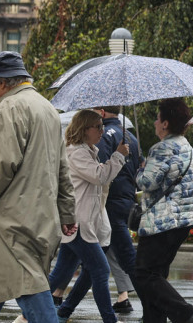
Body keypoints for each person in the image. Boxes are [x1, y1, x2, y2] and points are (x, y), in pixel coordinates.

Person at [0, 52, 76, 323]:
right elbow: (63, 168)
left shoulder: (10, 107)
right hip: (40, 215)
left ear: (1, 82)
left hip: (11, 219)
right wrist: (68, 211)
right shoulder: (47, 108)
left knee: (28, 284)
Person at [50, 107, 142, 313]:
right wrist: (118, 156)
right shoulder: (77, 153)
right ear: (84, 129)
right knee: (100, 270)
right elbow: (100, 176)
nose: (101, 131)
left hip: (83, 222)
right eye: (97, 127)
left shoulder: (89, 151)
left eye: (102, 126)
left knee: (59, 275)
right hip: (79, 223)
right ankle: (108, 319)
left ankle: (40, 311)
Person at [134, 99, 193, 323]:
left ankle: (189, 316)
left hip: (162, 221)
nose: (155, 123)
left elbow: (147, 183)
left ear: (165, 123)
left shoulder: (162, 147)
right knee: (156, 276)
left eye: (157, 118)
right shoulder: (186, 145)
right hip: (182, 221)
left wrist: (140, 169)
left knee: (142, 274)